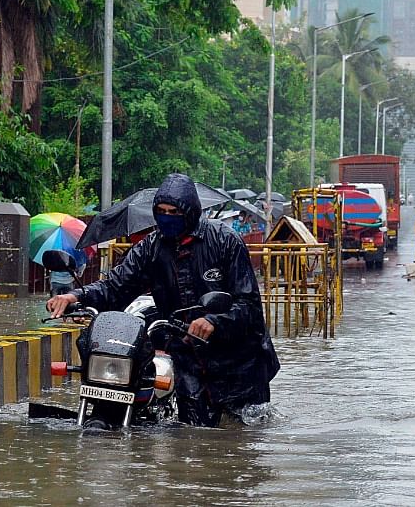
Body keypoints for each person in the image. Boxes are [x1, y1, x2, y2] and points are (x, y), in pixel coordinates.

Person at [46, 173, 280, 427]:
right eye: (161, 211)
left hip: (237, 361)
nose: (167, 217)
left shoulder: (225, 241)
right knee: (193, 435)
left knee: (243, 439)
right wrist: (75, 295)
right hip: (187, 355)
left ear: (190, 212)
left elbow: (249, 304)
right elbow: (116, 286)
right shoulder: (151, 247)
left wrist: (214, 321)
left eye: (174, 212)